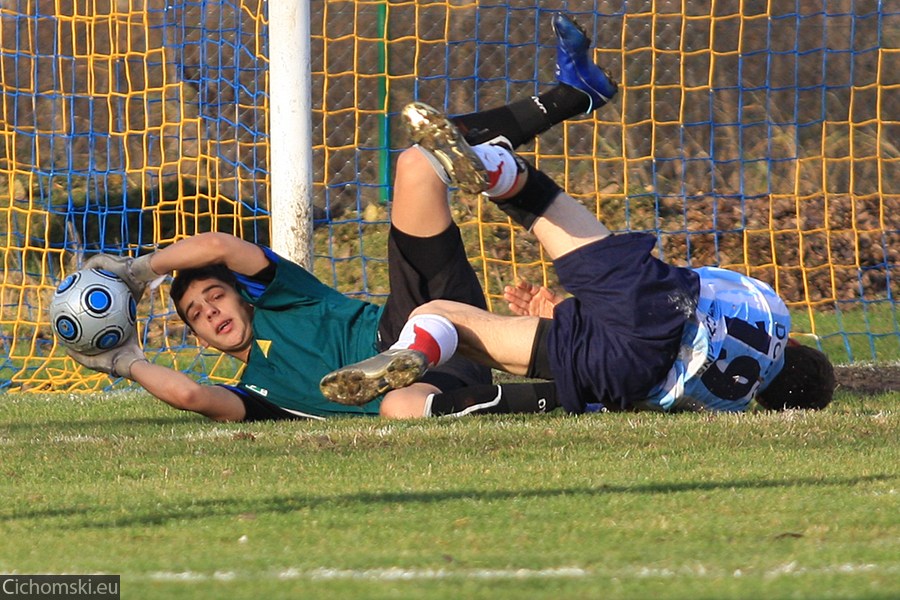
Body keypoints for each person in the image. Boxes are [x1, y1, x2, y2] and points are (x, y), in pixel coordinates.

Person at [64, 14, 619, 421]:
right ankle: (592, 394)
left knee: (417, 164)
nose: (210, 312)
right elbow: (191, 396)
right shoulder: (261, 392)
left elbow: (221, 245)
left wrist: (138, 271)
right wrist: (124, 362)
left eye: (215, 296)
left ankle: (570, 95)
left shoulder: (286, 298)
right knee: (400, 406)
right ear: (197, 338)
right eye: (195, 314)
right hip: (444, 375)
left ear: (241, 295)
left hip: (410, 312)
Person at [321, 102, 837, 414]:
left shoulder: (772, 312)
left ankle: (491, 167)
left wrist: (593, 298)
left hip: (658, 307)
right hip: (629, 373)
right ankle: (418, 347)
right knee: (437, 315)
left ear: (792, 344)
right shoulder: (732, 400)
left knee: (539, 200)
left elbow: (698, 284)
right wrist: (569, 323)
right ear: (769, 401)